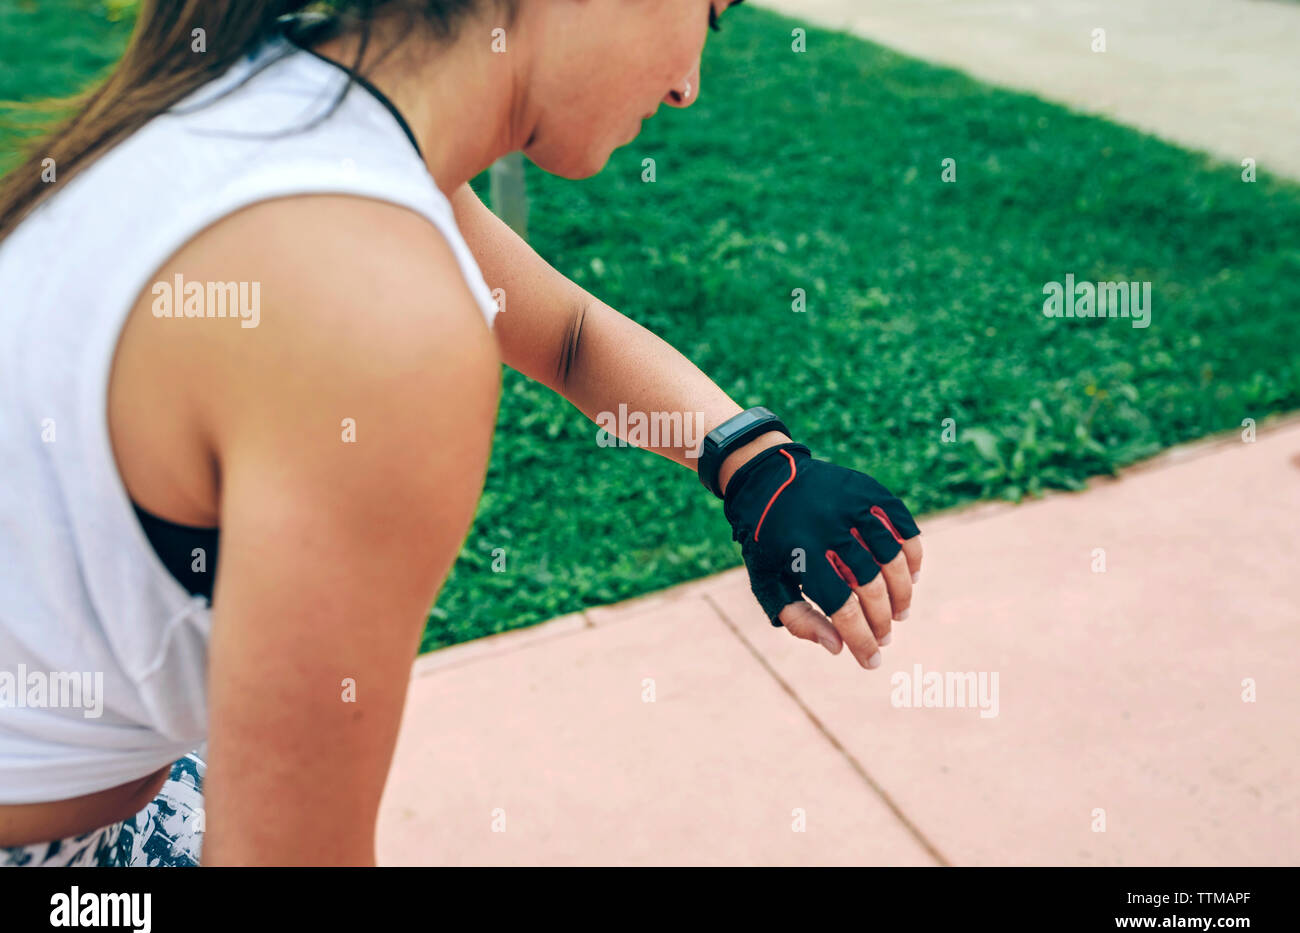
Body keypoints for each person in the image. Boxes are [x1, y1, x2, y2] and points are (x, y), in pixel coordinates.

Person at [0, 0, 922, 866]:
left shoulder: (294, 96)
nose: (688, 83)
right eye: (708, 15)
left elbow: (563, 335)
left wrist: (756, 466)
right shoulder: (370, 311)